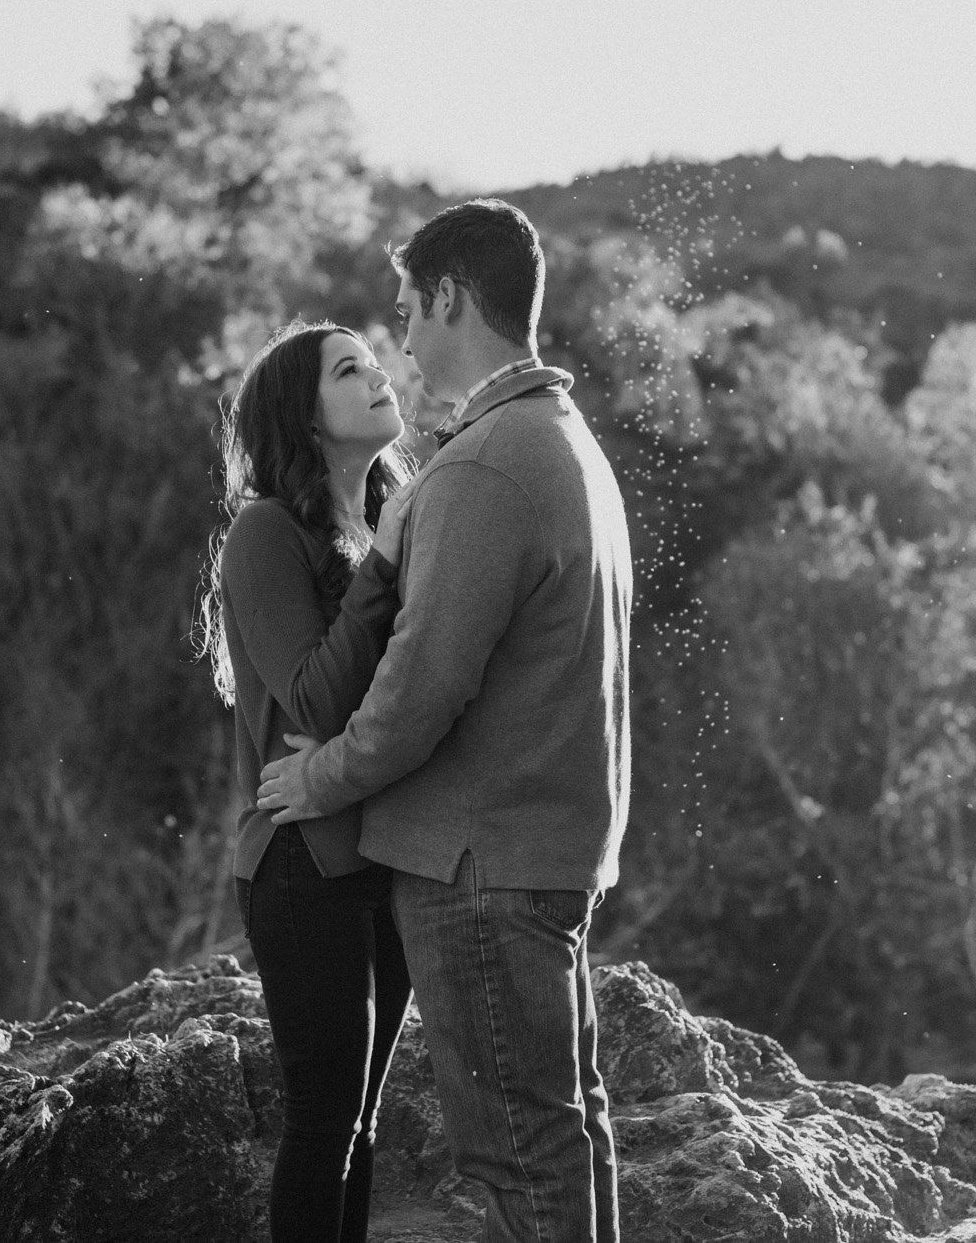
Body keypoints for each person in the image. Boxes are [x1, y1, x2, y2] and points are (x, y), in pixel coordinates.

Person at [256, 200, 633, 1243]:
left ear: (451, 297)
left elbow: (419, 693)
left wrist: (318, 778)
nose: (404, 342)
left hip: (479, 868)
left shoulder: (481, 467)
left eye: (408, 311)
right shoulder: (566, 443)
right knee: (566, 1139)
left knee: (518, 1163)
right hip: (544, 849)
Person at [197, 319, 419, 1243]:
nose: (377, 373)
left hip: (392, 853)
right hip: (301, 860)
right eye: (347, 369)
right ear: (306, 417)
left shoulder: (397, 512)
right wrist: (386, 566)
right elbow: (313, 704)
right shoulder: (266, 531)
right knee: (323, 1122)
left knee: (362, 1127)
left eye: (373, 360)